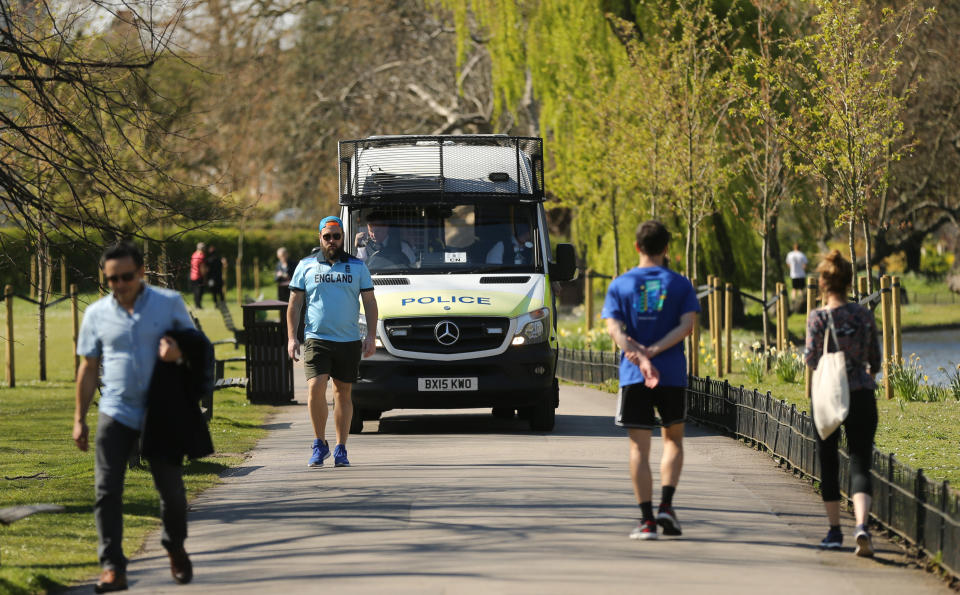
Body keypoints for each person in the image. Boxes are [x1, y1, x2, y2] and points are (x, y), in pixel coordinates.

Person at [73, 241, 197, 592]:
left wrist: (178, 353)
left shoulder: (169, 304)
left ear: (141, 273)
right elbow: (88, 366)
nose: (120, 284)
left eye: (126, 276)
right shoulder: (96, 314)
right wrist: (79, 418)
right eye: (112, 279)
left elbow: (196, 348)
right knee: (106, 490)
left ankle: (173, 544)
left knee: (171, 493)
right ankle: (113, 566)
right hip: (115, 411)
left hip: (161, 413)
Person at [602, 220, 700, 541]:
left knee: (638, 448)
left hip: (634, 376)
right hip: (671, 372)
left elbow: (615, 331)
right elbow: (687, 326)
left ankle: (646, 522)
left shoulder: (620, 285)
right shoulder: (681, 285)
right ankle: (667, 506)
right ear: (667, 248)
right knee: (673, 439)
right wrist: (656, 351)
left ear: (637, 247)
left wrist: (641, 356)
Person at [804, 250, 881, 557]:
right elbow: (874, 359)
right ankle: (862, 526)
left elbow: (811, 358)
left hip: (828, 396)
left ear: (823, 283)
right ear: (849, 281)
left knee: (829, 461)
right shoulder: (863, 314)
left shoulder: (818, 317)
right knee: (861, 460)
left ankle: (834, 532)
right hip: (861, 393)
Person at [287, 216, 378, 468]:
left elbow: (369, 303)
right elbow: (294, 304)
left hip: (348, 340)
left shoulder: (358, 267)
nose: (331, 241)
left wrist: (370, 336)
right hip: (317, 338)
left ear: (342, 238)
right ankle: (319, 444)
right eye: (326, 236)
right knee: (315, 386)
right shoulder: (305, 266)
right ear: (320, 237)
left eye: (336, 236)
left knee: (342, 392)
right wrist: (291, 338)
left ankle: (340, 448)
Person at [189, 242, 206, 309]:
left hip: (192, 275)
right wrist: (204, 277)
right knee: (199, 291)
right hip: (199, 276)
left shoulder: (194, 254)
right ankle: (198, 305)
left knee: (195, 291)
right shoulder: (201, 256)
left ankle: (196, 305)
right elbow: (202, 267)